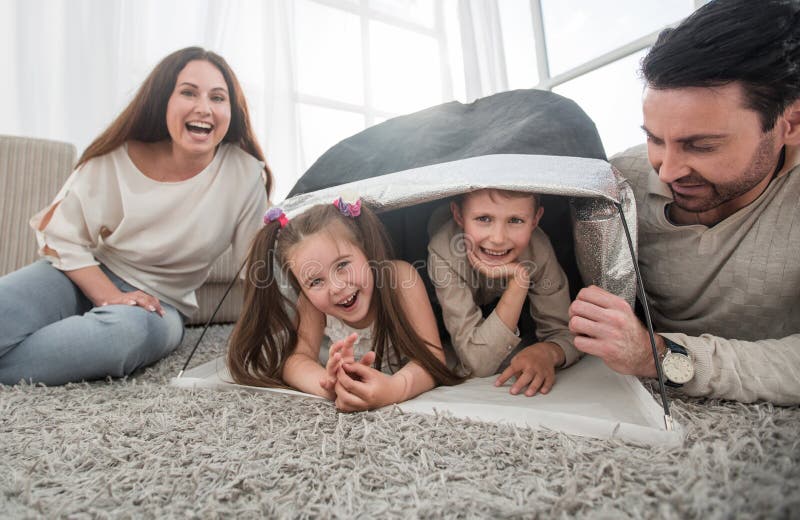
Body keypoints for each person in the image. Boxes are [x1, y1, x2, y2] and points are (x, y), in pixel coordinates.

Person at [569, 0, 800, 404]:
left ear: (790, 125)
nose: (668, 170)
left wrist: (656, 355)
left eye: (701, 145)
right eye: (655, 139)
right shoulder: (619, 183)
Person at [0, 47, 271, 386]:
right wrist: (107, 295)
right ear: (163, 101)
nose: (204, 107)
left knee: (120, 338)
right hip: (80, 277)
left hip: (160, 308)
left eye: (218, 97)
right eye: (188, 92)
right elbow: (61, 233)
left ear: (232, 111)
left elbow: (256, 267)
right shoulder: (116, 158)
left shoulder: (243, 175)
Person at [227, 199, 462, 411]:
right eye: (316, 281)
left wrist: (394, 389)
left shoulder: (400, 279)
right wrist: (328, 385)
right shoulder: (311, 304)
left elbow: (432, 360)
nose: (337, 287)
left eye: (342, 265)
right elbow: (295, 361)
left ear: (364, 249)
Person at [427, 189, 579, 397]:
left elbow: (564, 332)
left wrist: (549, 351)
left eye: (515, 220)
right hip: (440, 316)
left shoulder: (538, 249)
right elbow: (478, 363)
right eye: (484, 219)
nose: (498, 238)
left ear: (535, 220)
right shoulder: (443, 250)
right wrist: (518, 281)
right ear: (459, 216)